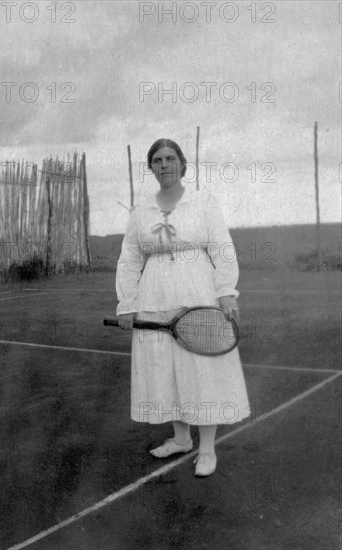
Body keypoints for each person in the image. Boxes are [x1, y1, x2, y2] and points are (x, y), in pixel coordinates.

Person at [115, 138, 250, 477]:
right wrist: (127, 304)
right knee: (166, 368)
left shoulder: (203, 202)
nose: (164, 165)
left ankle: (206, 449)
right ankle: (180, 439)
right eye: (157, 160)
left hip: (198, 293)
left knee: (200, 369)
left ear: (182, 163)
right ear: (151, 167)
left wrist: (226, 292)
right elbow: (130, 257)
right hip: (153, 296)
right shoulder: (141, 210)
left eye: (170, 158)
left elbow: (221, 246)